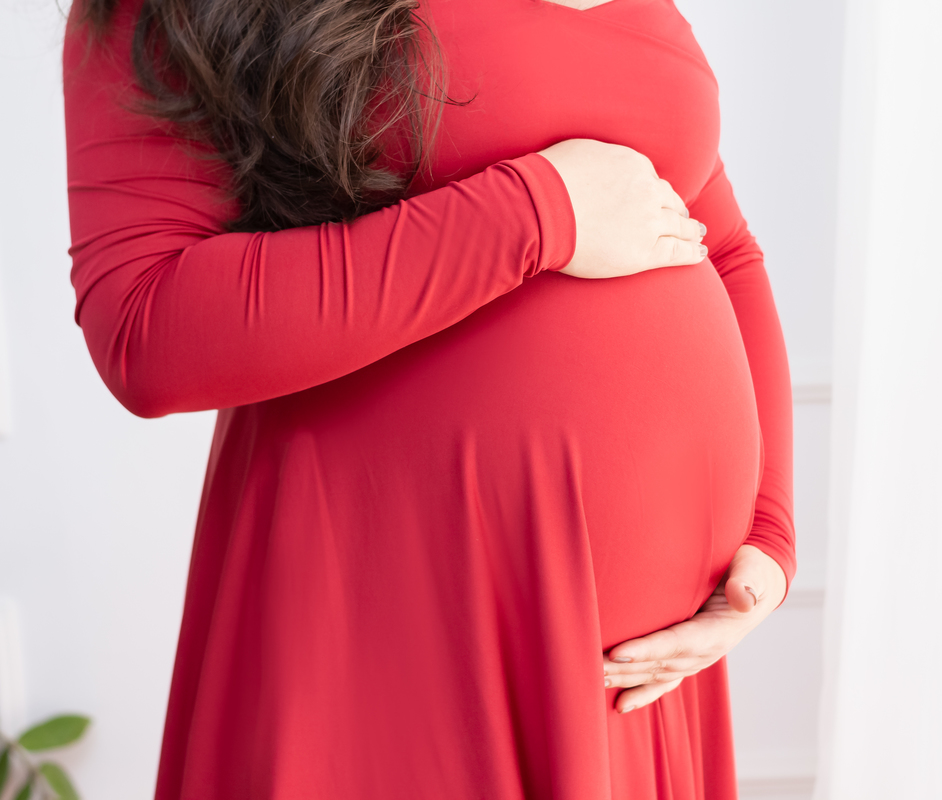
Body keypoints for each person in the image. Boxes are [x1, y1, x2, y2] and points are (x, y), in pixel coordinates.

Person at [62, 0, 796, 796]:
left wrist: (769, 532)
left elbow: (720, 245)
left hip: (634, 673)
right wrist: (533, 211)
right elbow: (146, 329)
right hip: (389, 622)